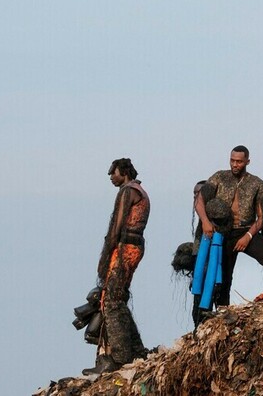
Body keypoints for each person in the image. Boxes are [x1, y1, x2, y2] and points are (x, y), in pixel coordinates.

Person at [194, 146, 263, 310]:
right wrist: (205, 221)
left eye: (239, 162)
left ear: (247, 161)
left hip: (246, 231)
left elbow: (262, 217)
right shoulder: (219, 177)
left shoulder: (256, 184)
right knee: (224, 277)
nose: (235, 165)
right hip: (223, 232)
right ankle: (222, 311)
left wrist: (248, 236)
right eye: (232, 160)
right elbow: (199, 201)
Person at [84, 158, 149, 375]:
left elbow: (117, 224)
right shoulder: (140, 190)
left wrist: (105, 256)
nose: (111, 177)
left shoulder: (128, 191)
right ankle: (136, 350)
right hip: (134, 247)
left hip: (125, 248)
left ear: (124, 172)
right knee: (118, 298)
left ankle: (119, 356)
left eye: (113, 173)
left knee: (111, 300)